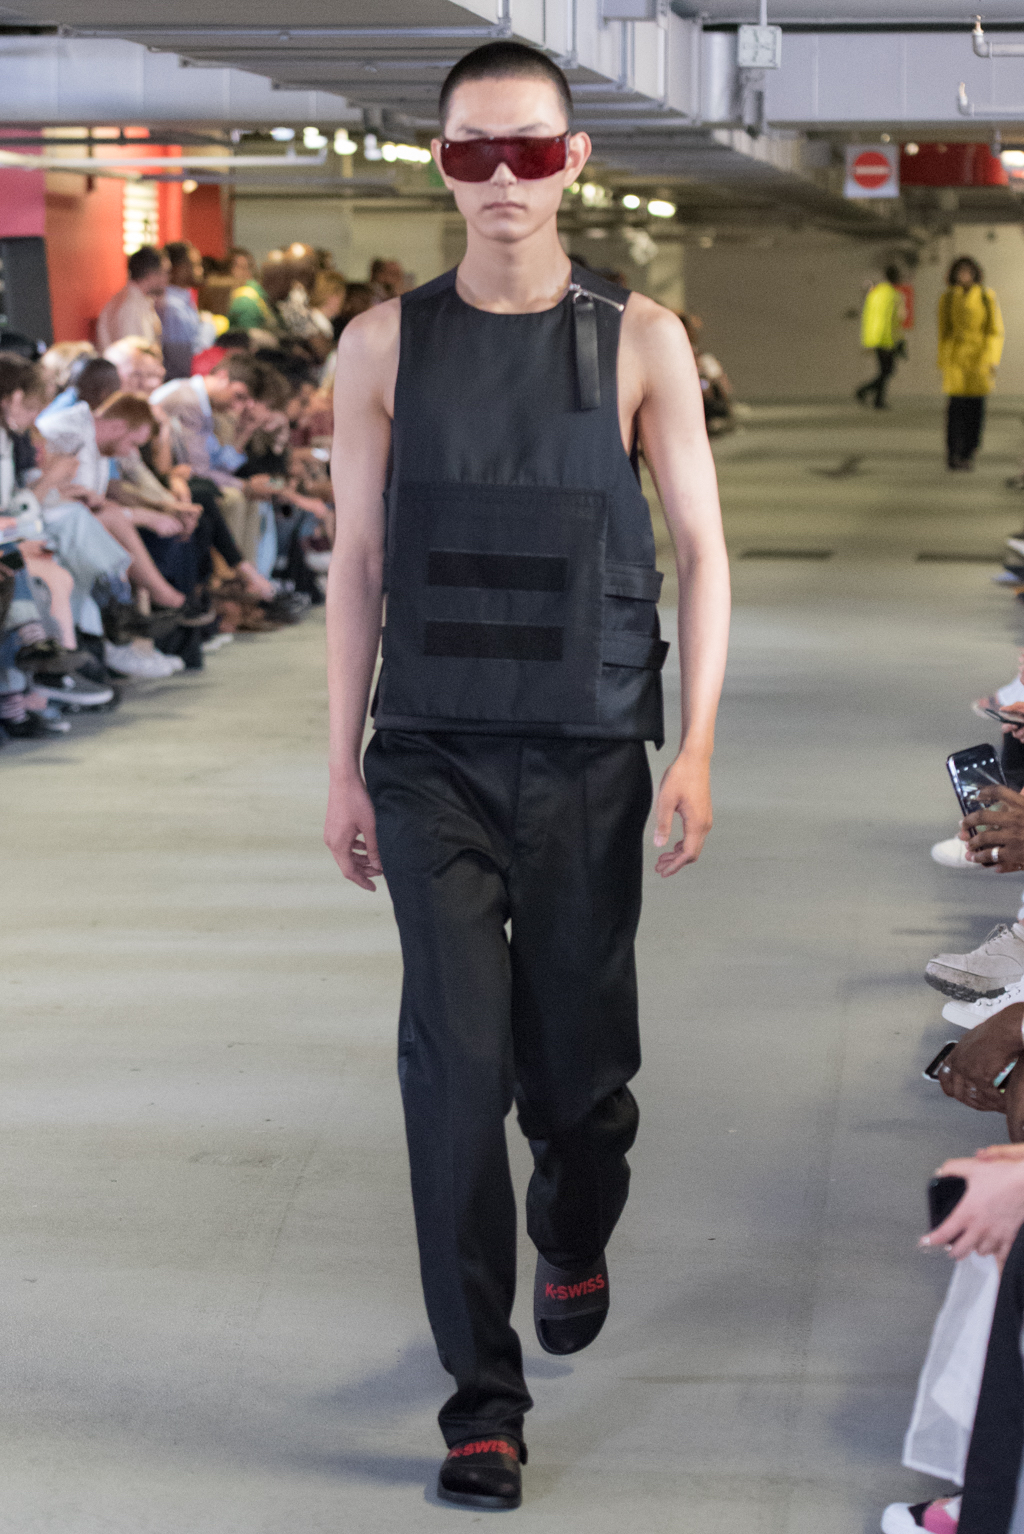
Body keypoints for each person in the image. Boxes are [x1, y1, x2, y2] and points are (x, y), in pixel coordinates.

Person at [323, 40, 731, 1512]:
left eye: (532, 150)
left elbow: (703, 552)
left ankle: (575, 1217)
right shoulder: (381, 346)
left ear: (575, 161)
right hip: (430, 752)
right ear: (440, 164)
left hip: (587, 756)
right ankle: (480, 1406)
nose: (503, 178)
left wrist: (695, 742)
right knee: (453, 1074)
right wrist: (341, 766)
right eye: (472, 151)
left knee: (580, 1080)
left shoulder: (640, 339)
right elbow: (357, 563)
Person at [939, 258, 1004, 472]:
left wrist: (992, 358)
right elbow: (944, 331)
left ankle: (969, 452)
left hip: (979, 360)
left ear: (975, 274)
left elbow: (995, 331)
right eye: (960, 271)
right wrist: (943, 360)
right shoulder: (948, 298)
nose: (964, 276)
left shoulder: (986, 296)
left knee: (975, 411)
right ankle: (953, 453)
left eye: (968, 272)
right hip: (956, 359)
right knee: (955, 410)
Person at [95, 246, 169, 351]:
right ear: (151, 274)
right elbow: (133, 355)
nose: (168, 278)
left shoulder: (131, 300)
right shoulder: (131, 307)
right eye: (165, 272)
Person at [857, 264, 905, 411]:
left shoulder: (875, 293)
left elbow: (868, 317)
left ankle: (877, 399)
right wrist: (897, 340)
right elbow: (894, 320)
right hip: (886, 339)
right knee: (887, 371)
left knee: (885, 371)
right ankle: (865, 392)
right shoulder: (894, 295)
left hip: (875, 338)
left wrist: (869, 339)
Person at [160, 242, 207, 380]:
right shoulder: (171, 308)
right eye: (196, 265)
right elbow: (185, 361)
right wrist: (208, 326)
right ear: (178, 268)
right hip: (182, 380)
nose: (201, 270)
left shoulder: (184, 298)